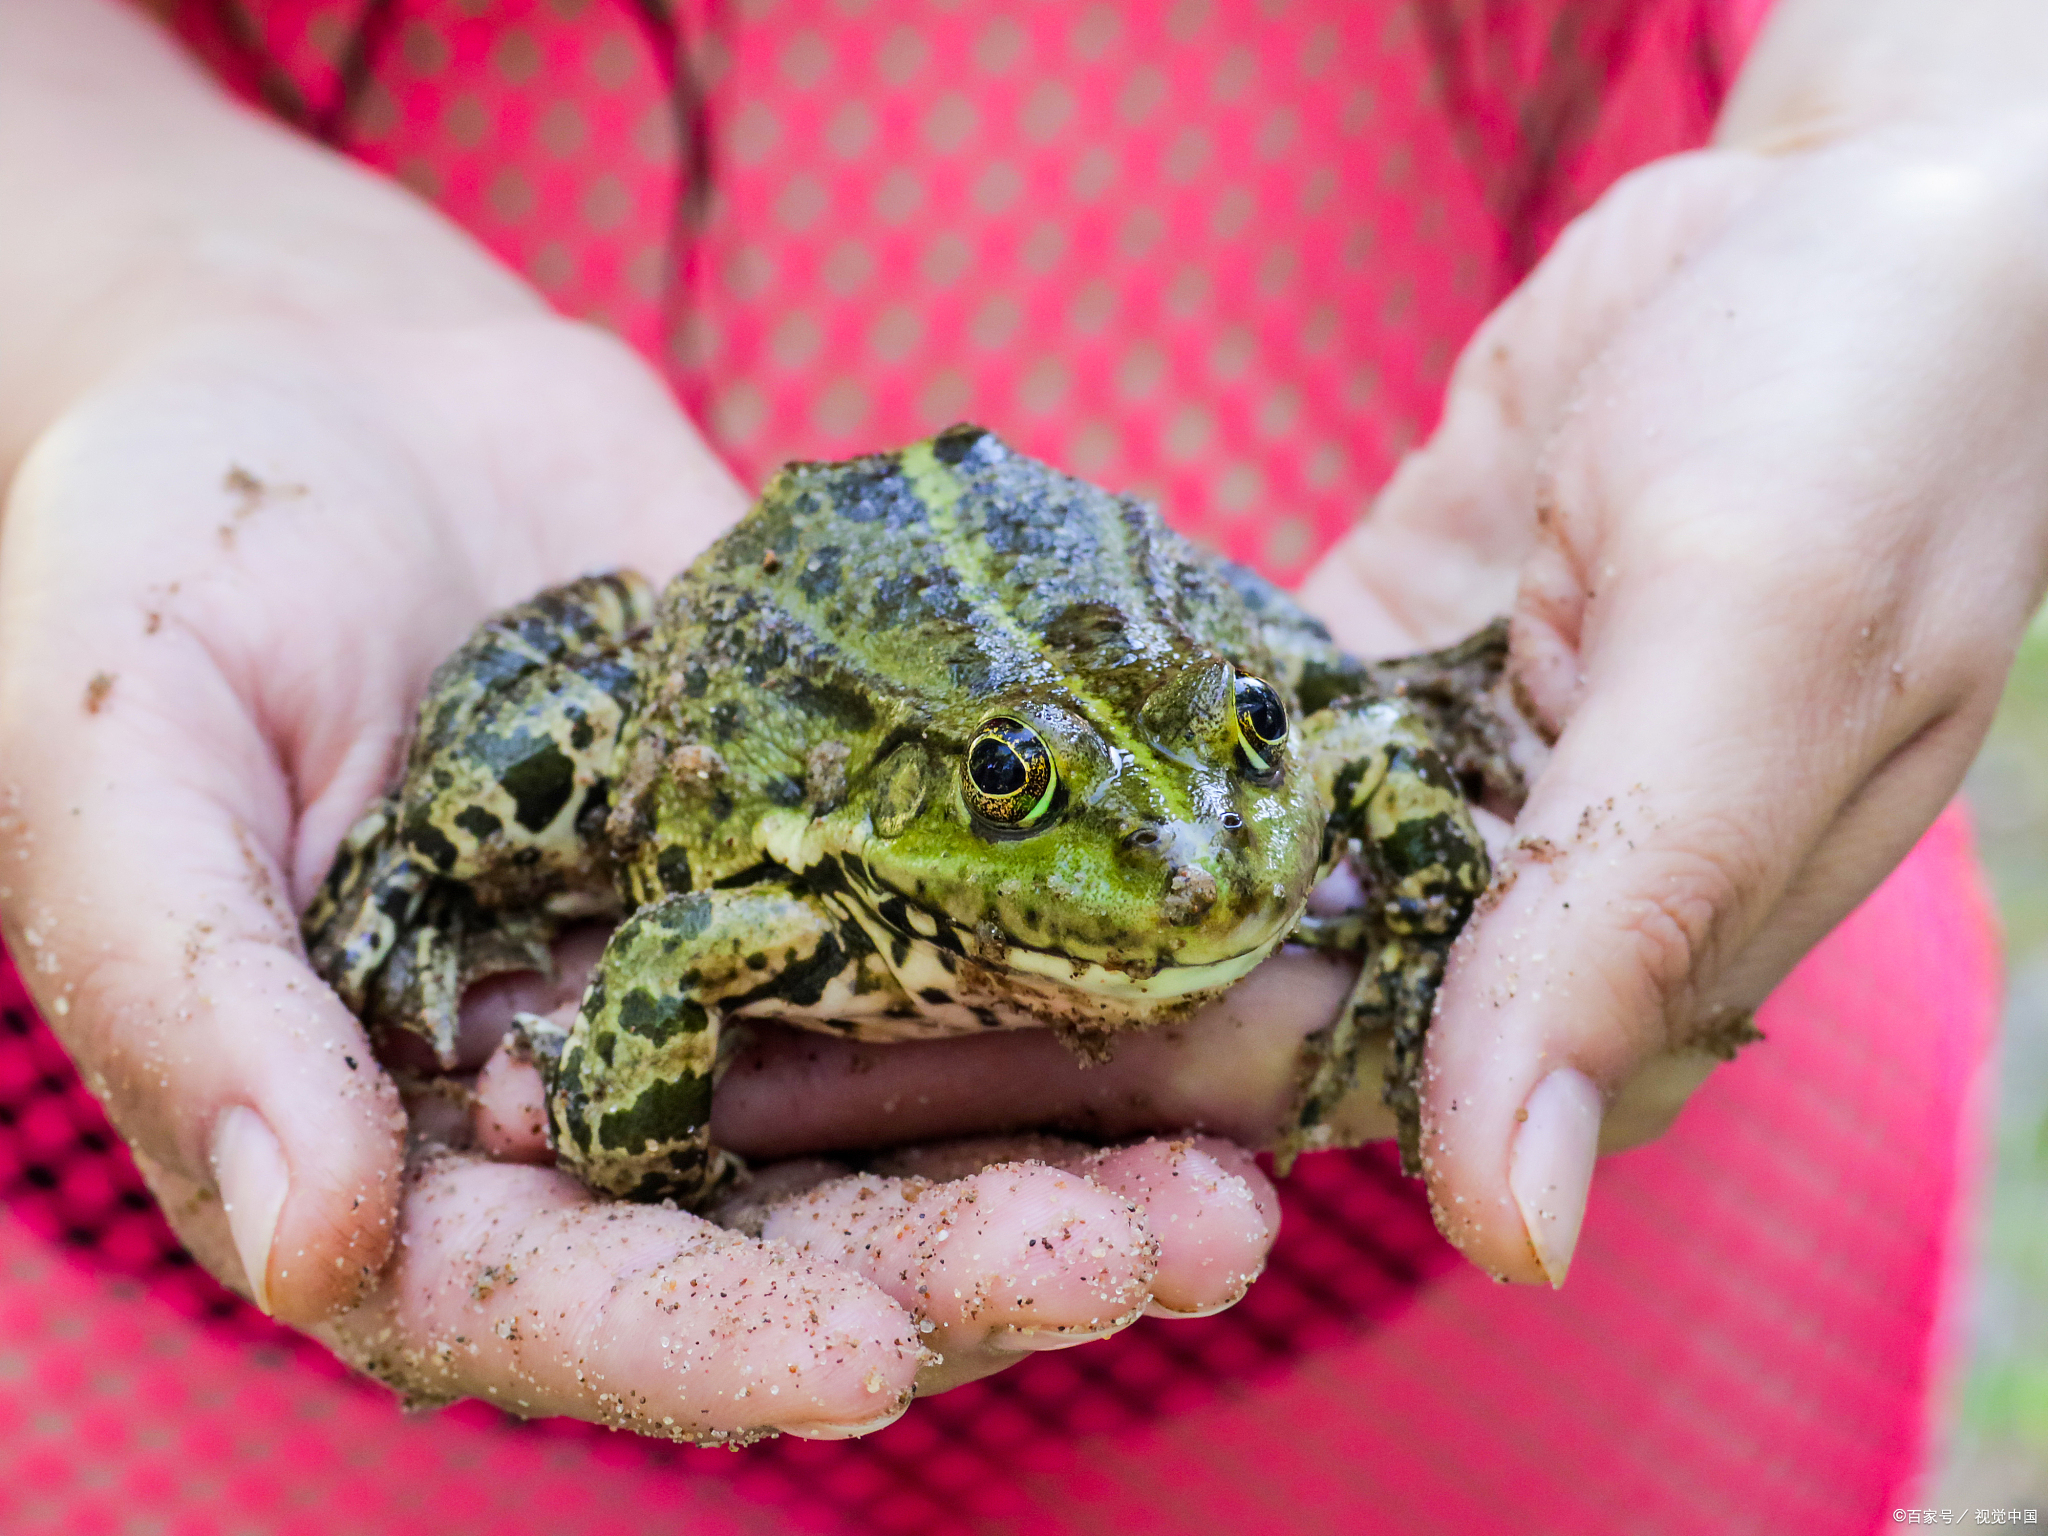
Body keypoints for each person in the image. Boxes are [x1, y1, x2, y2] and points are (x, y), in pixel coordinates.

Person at [0, 0, 2031, 1496]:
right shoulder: (792, 890)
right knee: (507, 789)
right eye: (1023, 803)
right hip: (229, 1373)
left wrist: (1938, 149)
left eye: (1251, 761)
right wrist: (129, 293)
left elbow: (1369, 776)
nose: (1190, 857)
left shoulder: (1264, 770)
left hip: (1542, 1310)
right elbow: (665, 961)